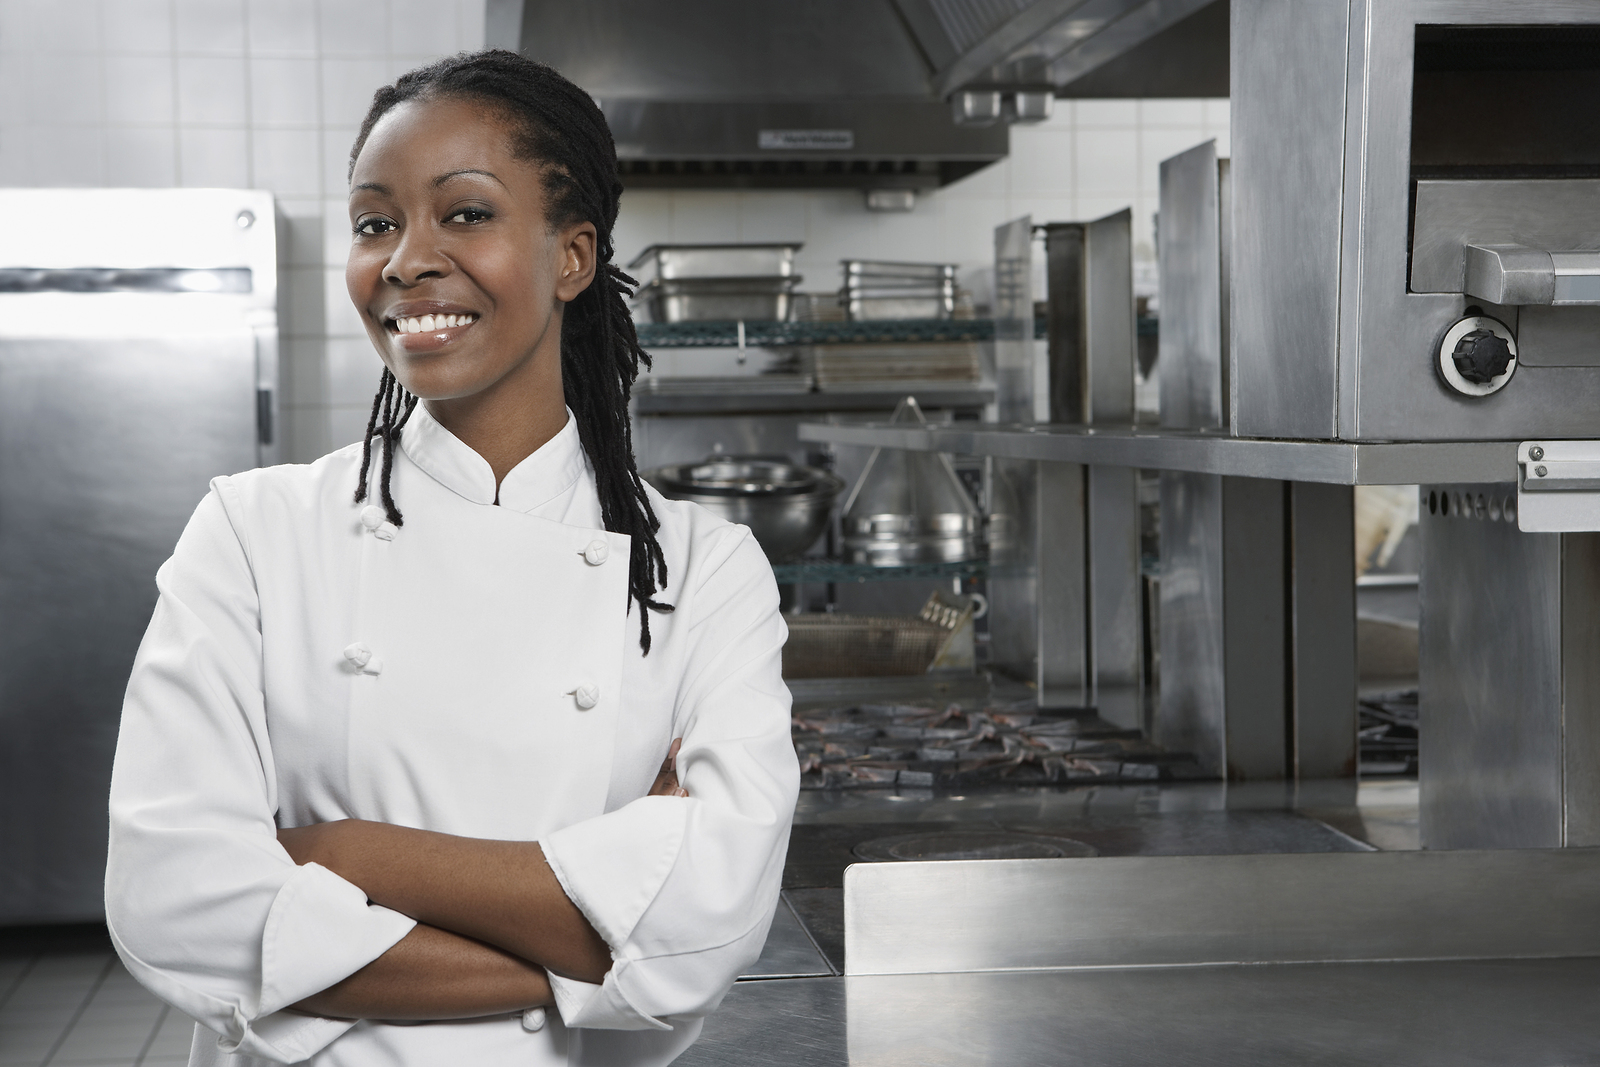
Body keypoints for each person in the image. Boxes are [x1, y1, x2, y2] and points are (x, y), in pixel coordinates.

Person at [105, 50, 798, 1067]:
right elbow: (175, 901)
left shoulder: (702, 567)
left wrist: (346, 853)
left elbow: (712, 915)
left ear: (571, 257)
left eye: (464, 213)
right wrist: (597, 948)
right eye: (375, 222)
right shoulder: (254, 533)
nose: (405, 258)